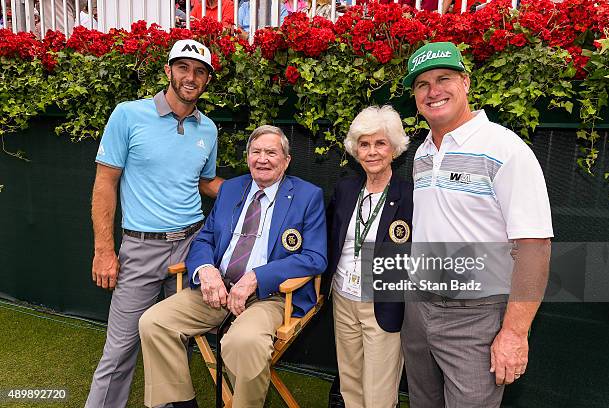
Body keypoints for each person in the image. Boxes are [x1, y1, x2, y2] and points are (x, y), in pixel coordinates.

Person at [400, 41, 553, 407]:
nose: (433, 91)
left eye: (444, 78)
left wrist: (515, 333)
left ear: (466, 82)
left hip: (475, 316)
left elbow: (535, 247)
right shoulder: (422, 153)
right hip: (418, 307)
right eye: (422, 84)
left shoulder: (505, 149)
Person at [138, 125, 327, 408]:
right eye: (256, 151)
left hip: (271, 297)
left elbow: (314, 257)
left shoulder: (307, 196)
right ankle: (181, 404)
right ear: (248, 156)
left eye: (271, 152)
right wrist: (205, 270)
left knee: (243, 342)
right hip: (218, 290)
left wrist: (256, 277)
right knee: (154, 323)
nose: (262, 158)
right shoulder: (231, 189)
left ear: (286, 160)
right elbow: (205, 238)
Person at [86, 39, 223, 408]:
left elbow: (205, 182)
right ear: (168, 71)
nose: (190, 77)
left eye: (199, 71)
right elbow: (105, 182)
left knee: (175, 341)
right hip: (142, 248)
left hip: (193, 246)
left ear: (207, 80)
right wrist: (103, 250)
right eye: (183, 68)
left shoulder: (208, 129)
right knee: (119, 350)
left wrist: (257, 185)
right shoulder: (128, 115)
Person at [326, 106, 412, 408]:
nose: (372, 151)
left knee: (378, 395)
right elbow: (332, 239)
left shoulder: (410, 195)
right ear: (355, 149)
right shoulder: (346, 188)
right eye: (364, 144)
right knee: (350, 385)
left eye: (380, 143)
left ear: (395, 148)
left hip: (382, 303)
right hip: (342, 298)